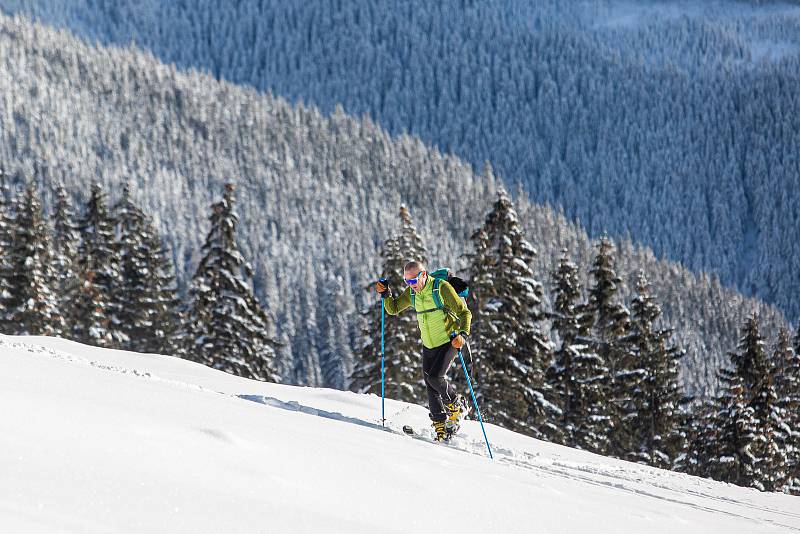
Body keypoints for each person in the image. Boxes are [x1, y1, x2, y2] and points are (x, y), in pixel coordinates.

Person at [376, 261, 472, 441]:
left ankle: (456, 404)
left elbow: (464, 313)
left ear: (424, 275)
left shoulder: (440, 288)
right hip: (428, 344)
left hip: (449, 341)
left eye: (413, 281)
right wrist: (386, 294)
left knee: (435, 378)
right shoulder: (412, 293)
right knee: (430, 385)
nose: (411, 286)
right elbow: (393, 308)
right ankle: (440, 429)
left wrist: (463, 335)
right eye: (407, 282)